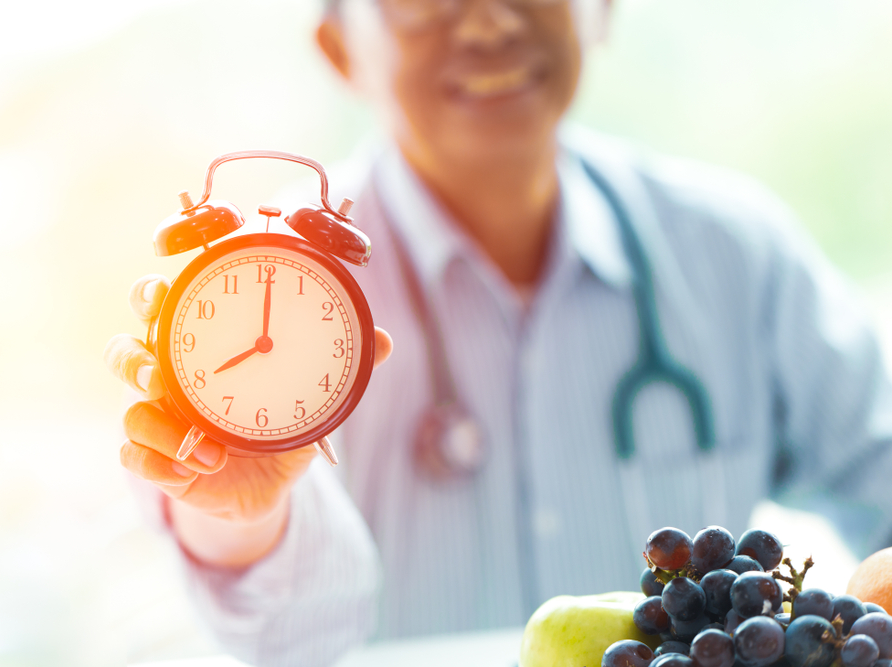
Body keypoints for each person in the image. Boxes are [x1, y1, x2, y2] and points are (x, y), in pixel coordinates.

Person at [104, 0, 892, 665]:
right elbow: (297, 636)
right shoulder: (256, 295)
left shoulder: (737, 257)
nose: (485, 21)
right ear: (340, 46)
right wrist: (243, 513)